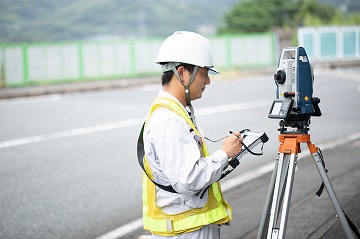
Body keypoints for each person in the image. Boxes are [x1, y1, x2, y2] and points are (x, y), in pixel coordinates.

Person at [138, 31, 243, 239]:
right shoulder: (169, 121)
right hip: (186, 231)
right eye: (204, 73)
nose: (208, 81)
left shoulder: (176, 113)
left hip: (187, 227)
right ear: (182, 73)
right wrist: (224, 153)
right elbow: (188, 180)